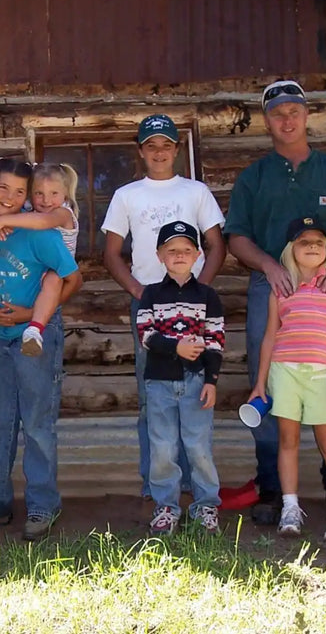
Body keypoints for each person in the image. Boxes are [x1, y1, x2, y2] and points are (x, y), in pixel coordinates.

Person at [224, 80, 326, 527]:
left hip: (325, 298)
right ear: (266, 121)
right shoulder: (255, 176)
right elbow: (237, 238)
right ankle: (275, 490)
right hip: (271, 294)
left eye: (294, 111)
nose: (286, 120)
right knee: (269, 388)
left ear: (306, 116)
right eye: (277, 113)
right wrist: (270, 267)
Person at [101, 114, 226, 499]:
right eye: (151, 145)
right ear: (141, 151)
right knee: (153, 397)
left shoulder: (196, 192)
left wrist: (197, 293)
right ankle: (157, 488)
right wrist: (141, 292)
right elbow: (112, 253)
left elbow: (216, 245)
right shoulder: (127, 195)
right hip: (152, 311)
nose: (159, 152)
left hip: (195, 312)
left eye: (166, 145)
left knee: (195, 394)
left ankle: (195, 486)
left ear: (176, 149)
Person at [0, 158, 83, 541]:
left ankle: (42, 505)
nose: (11, 198)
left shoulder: (42, 232)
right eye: (4, 189)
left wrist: (30, 315)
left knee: (37, 423)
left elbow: (72, 278)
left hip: (36, 335)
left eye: (19, 191)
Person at [249, 217, 326, 544]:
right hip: (285, 373)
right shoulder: (281, 290)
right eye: (303, 241)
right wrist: (260, 382)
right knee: (288, 441)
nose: (311, 246)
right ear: (290, 250)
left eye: (318, 242)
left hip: (321, 374)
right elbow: (269, 336)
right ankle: (290, 507)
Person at [136, 221, 225, 535]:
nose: (179, 255)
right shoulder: (151, 295)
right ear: (160, 255)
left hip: (197, 382)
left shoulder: (207, 296)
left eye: (186, 250)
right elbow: (146, 335)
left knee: (199, 446)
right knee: (162, 447)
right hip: (159, 382)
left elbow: (215, 340)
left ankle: (206, 506)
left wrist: (211, 380)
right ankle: (166, 507)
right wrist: (177, 347)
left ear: (198, 255)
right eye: (171, 250)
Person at [0, 162, 79, 356]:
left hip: (57, 274)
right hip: (31, 286)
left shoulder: (63, 212)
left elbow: (42, 222)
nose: (46, 200)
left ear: (65, 195)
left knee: (53, 278)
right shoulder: (30, 208)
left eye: (54, 194)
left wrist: (3, 220)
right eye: (39, 193)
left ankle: (35, 328)